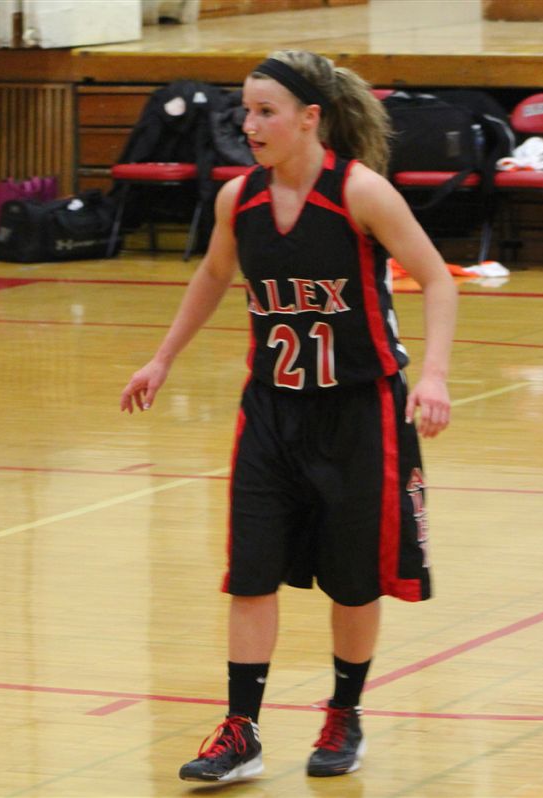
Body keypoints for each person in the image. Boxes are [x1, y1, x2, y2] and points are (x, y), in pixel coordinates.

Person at [120, 50, 458, 783]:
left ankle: (344, 714)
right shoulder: (237, 198)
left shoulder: (359, 192)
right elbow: (214, 274)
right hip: (271, 410)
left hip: (360, 410)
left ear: (310, 118)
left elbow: (438, 279)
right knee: (251, 573)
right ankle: (240, 731)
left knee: (354, 581)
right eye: (245, 111)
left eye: (265, 112)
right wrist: (162, 359)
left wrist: (432, 375)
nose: (249, 125)